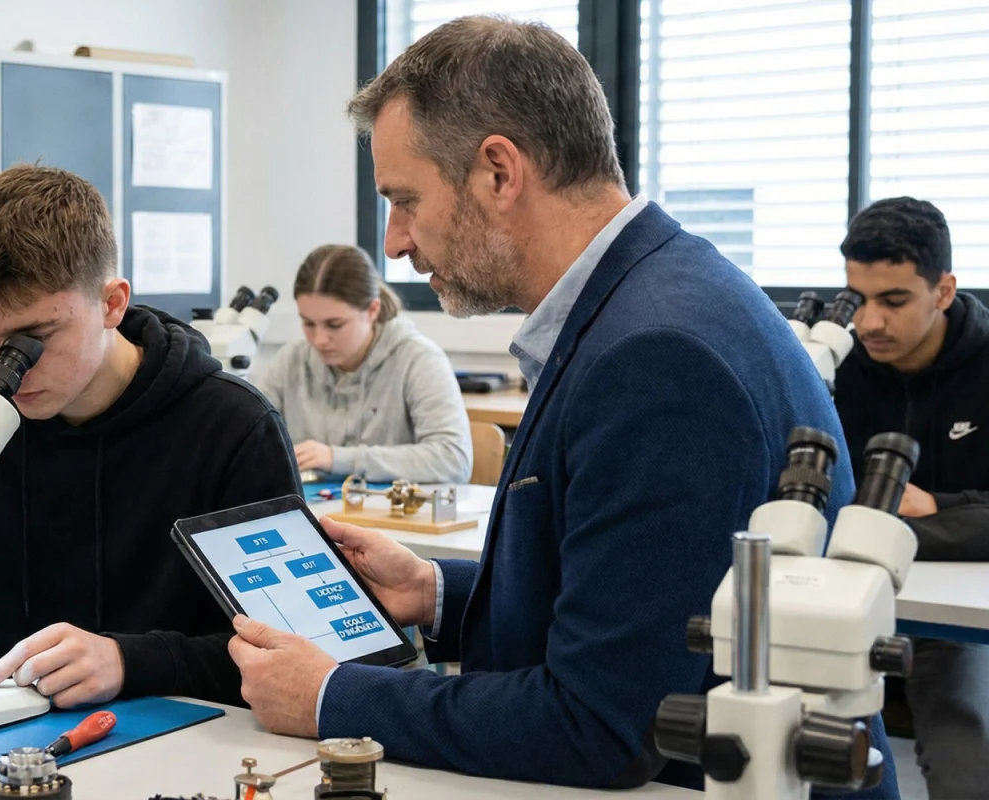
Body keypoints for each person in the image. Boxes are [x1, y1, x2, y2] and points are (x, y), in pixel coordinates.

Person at [226, 16, 898, 796]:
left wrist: (330, 696)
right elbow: (641, 609)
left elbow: (598, 725)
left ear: (500, 173)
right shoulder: (654, 295)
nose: (397, 242)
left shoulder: (655, 357)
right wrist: (439, 591)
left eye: (405, 200)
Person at [0, 164, 301, 708]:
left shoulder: (233, 428)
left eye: (34, 338)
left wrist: (128, 661)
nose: (7, 367)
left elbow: (292, 651)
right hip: (4, 731)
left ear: (112, 304)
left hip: (184, 734)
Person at [835, 196, 989, 799]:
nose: (869, 322)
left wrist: (934, 506)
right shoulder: (835, 362)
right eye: (859, 299)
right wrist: (961, 512)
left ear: (944, 291)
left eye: (893, 300)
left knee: (964, 756)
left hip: (946, 618)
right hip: (841, 590)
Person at [254, 244, 472, 484]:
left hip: (389, 518)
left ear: (372, 310)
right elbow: (248, 443)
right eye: (308, 323)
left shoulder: (419, 359)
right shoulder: (290, 361)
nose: (319, 339)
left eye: (334, 325)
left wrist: (335, 458)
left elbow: (453, 460)